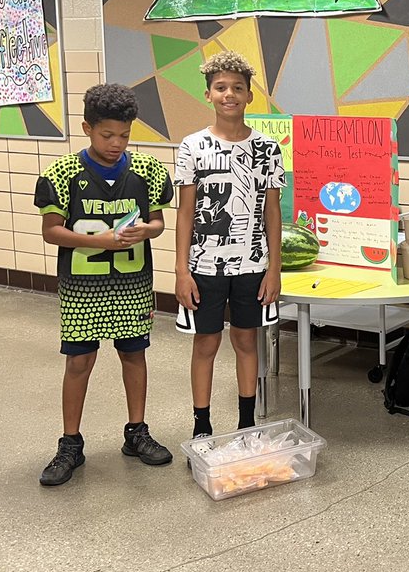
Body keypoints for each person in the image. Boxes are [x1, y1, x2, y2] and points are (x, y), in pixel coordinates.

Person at [35, 83, 175, 486]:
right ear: (87, 128)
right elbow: (51, 232)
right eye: (107, 135)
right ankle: (70, 443)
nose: (116, 143)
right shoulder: (62, 175)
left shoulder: (147, 171)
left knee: (134, 355)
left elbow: (158, 223)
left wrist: (146, 230)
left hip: (132, 283)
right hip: (82, 287)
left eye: (125, 135)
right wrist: (97, 242)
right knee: (79, 361)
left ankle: (136, 432)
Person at [174, 51, 284, 445]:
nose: (229, 94)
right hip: (203, 265)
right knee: (206, 342)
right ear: (208, 95)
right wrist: (181, 271)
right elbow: (185, 213)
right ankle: (201, 423)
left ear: (250, 96)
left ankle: (246, 421)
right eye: (221, 88)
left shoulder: (268, 148)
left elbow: (273, 213)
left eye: (238, 88)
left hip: (253, 264)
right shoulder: (191, 146)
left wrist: (274, 268)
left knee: (245, 340)